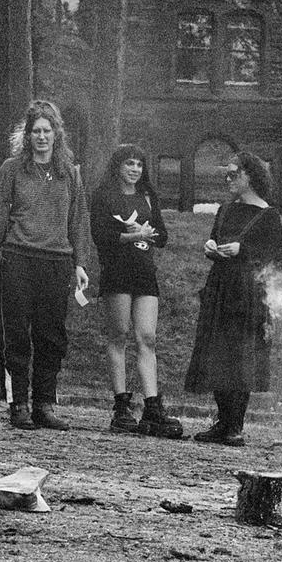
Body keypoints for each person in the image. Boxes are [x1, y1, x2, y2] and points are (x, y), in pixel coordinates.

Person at [0, 100, 92, 430]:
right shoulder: (12, 169)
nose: (41, 137)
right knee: (15, 335)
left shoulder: (70, 173)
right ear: (27, 136)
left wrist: (81, 263)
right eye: (35, 131)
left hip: (56, 263)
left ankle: (44, 403)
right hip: (18, 260)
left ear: (57, 134)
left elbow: (78, 220)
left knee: (51, 336)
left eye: (47, 130)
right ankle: (19, 404)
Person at [185, 151, 282, 446]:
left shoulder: (268, 215)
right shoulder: (225, 210)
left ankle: (236, 425)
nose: (228, 180)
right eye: (226, 175)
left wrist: (241, 251)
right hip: (220, 284)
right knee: (216, 350)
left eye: (234, 174)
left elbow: (274, 258)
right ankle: (222, 420)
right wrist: (211, 247)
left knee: (240, 355)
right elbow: (215, 238)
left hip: (248, 290)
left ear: (251, 176)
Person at [89, 144, 182, 438]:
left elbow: (162, 235)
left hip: (144, 273)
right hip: (117, 271)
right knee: (119, 336)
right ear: (118, 166)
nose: (135, 169)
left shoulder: (147, 196)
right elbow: (100, 236)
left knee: (148, 338)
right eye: (129, 163)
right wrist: (131, 235)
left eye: (139, 165)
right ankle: (121, 407)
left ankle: (152, 407)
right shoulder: (104, 196)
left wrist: (147, 234)